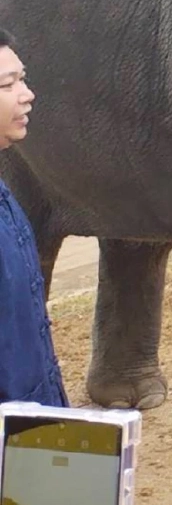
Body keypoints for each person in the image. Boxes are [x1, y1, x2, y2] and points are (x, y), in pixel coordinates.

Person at [0, 28, 66, 408]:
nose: (28, 94)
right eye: (9, 85)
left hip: (29, 428)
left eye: (22, 79)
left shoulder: (6, 196)